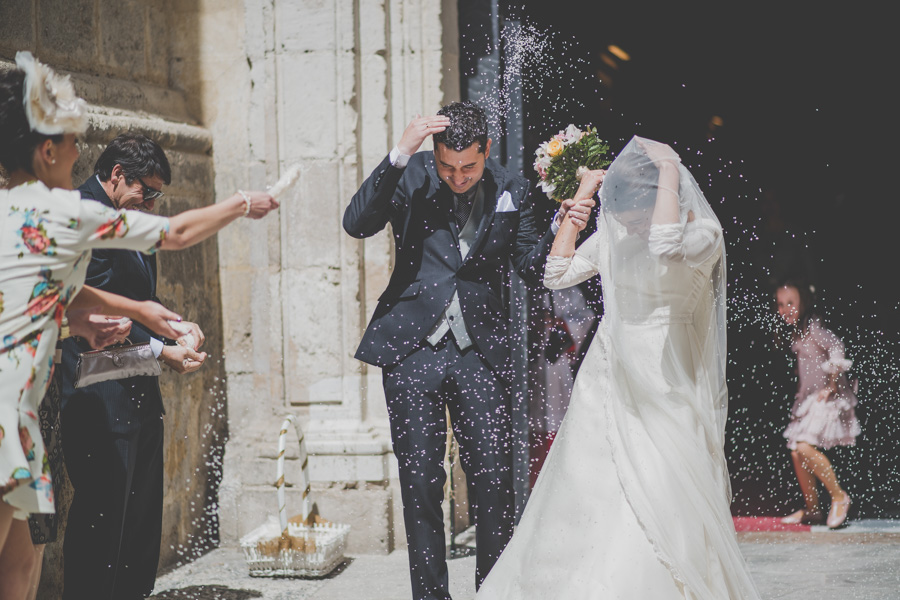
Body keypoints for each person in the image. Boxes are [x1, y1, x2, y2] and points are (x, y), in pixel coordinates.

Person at [0, 51, 278, 600]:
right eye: (74, 141)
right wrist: (241, 203)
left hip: (23, 412)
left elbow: (46, 298)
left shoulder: (31, 211)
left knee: (22, 564)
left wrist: (104, 318)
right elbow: (171, 233)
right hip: (9, 408)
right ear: (47, 149)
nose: (82, 153)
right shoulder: (61, 211)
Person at [477, 136, 761, 599]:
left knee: (661, 478)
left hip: (667, 373)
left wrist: (667, 168)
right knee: (592, 480)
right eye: (625, 218)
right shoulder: (619, 233)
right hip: (608, 373)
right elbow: (555, 274)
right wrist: (582, 199)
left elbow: (667, 245)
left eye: (638, 216)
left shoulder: (701, 234)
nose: (631, 227)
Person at [342, 101, 585, 600]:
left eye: (468, 167)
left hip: (483, 356)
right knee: (421, 485)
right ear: (434, 152)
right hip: (412, 351)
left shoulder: (511, 186)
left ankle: (493, 592)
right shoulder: (410, 175)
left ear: (486, 151)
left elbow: (532, 269)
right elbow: (357, 223)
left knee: (495, 486)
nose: (458, 177)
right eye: (448, 166)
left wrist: (565, 223)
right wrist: (398, 153)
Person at [53, 132, 212, 600]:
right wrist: (165, 351)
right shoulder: (83, 215)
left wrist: (178, 328)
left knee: (140, 530)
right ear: (118, 175)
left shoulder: (132, 216)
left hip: (139, 393)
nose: (154, 203)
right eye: (150, 190)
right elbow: (104, 313)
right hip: (97, 394)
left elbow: (143, 302)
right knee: (100, 530)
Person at [775, 281, 859, 529]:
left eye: (790, 303)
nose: (785, 309)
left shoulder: (813, 327)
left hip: (828, 397)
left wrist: (832, 384)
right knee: (795, 451)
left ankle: (839, 496)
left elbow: (836, 346)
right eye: (780, 304)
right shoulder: (798, 331)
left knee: (804, 447)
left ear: (802, 302)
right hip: (810, 398)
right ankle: (813, 509)